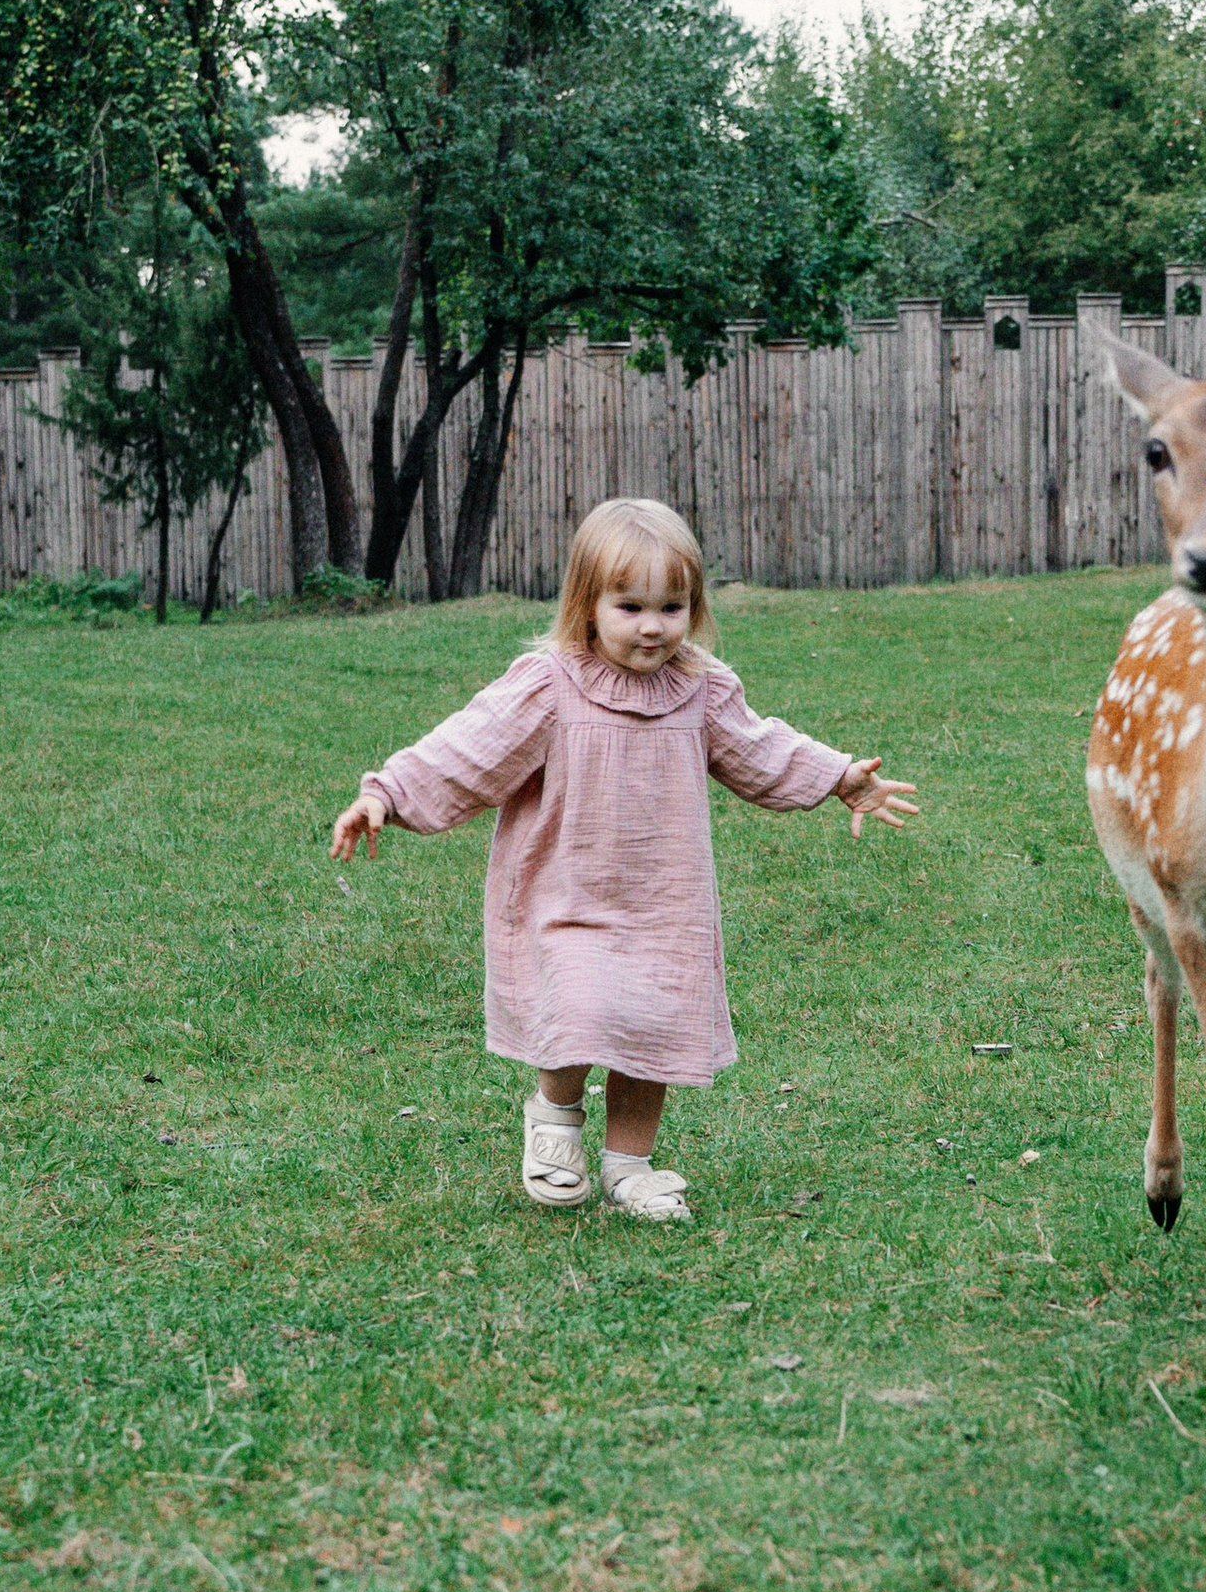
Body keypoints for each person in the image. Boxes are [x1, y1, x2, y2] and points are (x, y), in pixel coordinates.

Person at [329, 498, 918, 1222]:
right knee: (579, 1006)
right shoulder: (549, 684)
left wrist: (838, 778)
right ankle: (554, 1119)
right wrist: (386, 791)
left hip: (665, 900)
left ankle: (629, 1167)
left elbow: (759, 749)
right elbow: (468, 748)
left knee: (653, 1028)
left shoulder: (701, 688)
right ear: (587, 604)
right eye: (630, 605)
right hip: (566, 891)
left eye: (672, 606)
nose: (652, 625)